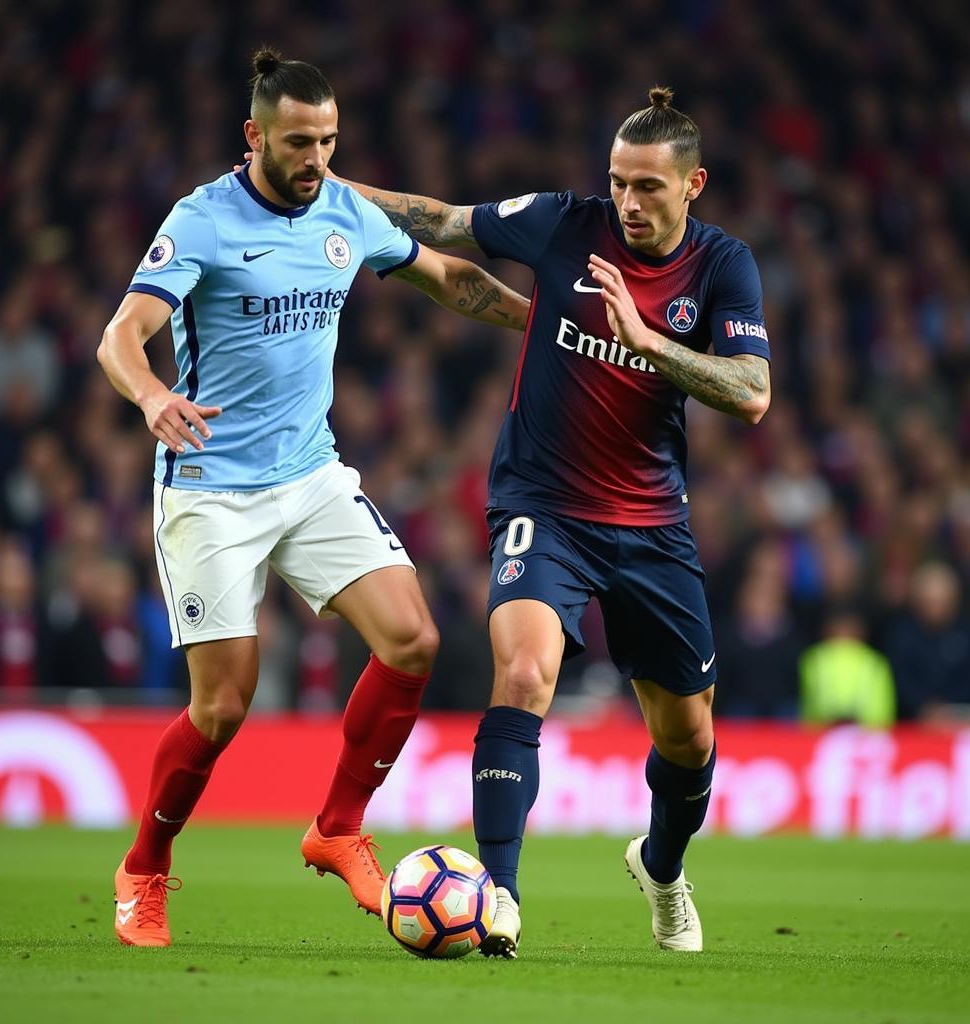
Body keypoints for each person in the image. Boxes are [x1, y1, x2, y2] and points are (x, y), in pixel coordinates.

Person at [97, 49, 529, 948]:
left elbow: (447, 277)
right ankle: (143, 868)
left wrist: (548, 322)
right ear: (254, 134)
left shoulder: (343, 209)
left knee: (413, 639)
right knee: (223, 706)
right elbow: (121, 336)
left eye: (329, 141)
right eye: (299, 142)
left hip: (311, 475)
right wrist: (151, 395)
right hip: (211, 486)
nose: (317, 159)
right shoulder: (202, 220)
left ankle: (337, 827)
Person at [337, 87, 771, 957]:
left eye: (649, 187)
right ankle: (498, 898)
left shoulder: (723, 267)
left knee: (687, 738)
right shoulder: (563, 224)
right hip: (545, 508)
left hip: (653, 525)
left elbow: (752, 394)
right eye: (618, 183)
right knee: (525, 673)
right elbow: (445, 220)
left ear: (694, 186)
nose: (629, 203)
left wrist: (654, 345)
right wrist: (324, 183)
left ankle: (661, 866)